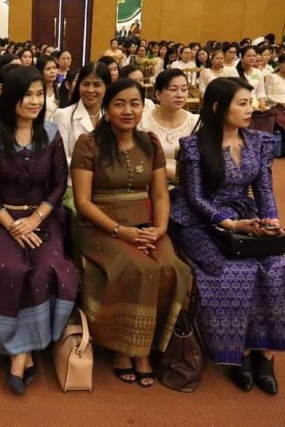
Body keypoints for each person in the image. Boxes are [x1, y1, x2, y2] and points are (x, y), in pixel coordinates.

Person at [71, 78, 190, 388]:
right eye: (119, 104)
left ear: (143, 107)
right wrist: (121, 231)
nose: (127, 110)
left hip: (146, 227)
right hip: (100, 228)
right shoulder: (89, 144)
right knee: (138, 267)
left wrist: (159, 230)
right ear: (107, 108)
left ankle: (148, 346)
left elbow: (160, 195)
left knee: (172, 267)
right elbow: (83, 203)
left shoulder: (150, 143)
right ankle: (125, 349)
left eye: (135, 104)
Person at [171, 77, 284, 395]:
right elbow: (194, 197)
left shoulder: (259, 142)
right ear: (218, 108)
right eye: (243, 104)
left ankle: (265, 353)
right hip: (200, 223)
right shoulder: (193, 145)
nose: (251, 109)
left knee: (276, 267)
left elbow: (263, 188)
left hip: (245, 216)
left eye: (251, 102)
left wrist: (271, 221)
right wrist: (229, 224)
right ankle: (240, 353)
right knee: (236, 270)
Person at [0, 66, 77, 395]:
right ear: (11, 96)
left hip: (42, 219)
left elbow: (59, 184)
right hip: (0, 219)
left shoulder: (51, 133)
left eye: (39, 94)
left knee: (48, 267)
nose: (35, 101)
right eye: (27, 94)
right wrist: (12, 225)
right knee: (8, 267)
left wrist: (35, 220)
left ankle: (20, 352)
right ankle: (22, 352)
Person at [139, 69, 198, 184]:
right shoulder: (142, 122)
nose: (180, 95)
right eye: (173, 89)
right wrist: (169, 173)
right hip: (148, 183)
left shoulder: (194, 123)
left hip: (185, 185)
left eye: (184, 89)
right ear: (158, 94)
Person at [34, 55, 59, 120]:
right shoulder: (35, 90)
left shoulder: (59, 88)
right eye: (48, 69)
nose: (52, 71)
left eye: (54, 68)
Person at [264, 54, 285, 128]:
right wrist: (280, 102)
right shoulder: (272, 77)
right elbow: (267, 96)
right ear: (279, 64)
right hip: (276, 105)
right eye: (284, 63)